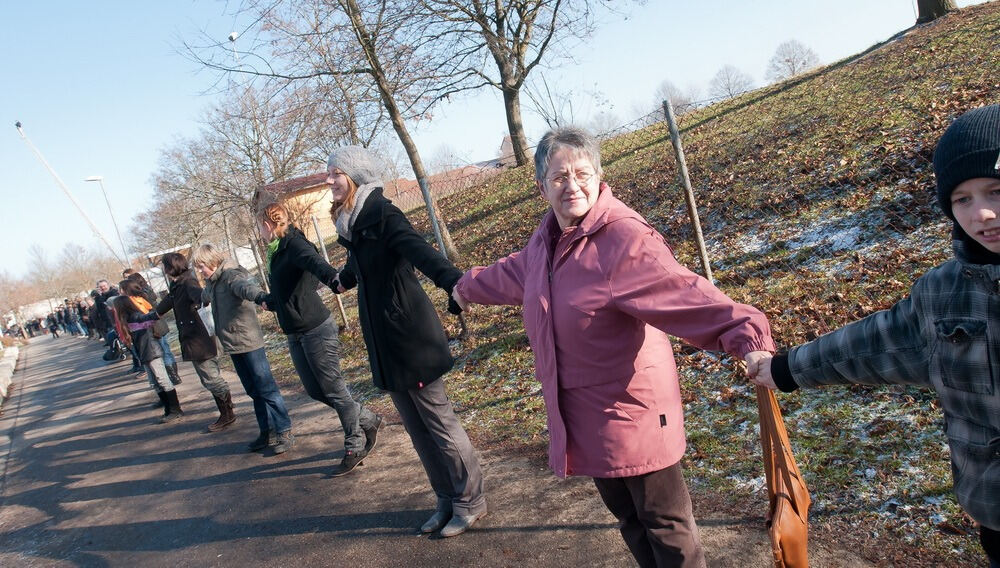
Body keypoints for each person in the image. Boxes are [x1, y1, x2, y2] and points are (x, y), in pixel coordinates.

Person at [452, 127, 774, 566]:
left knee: (665, 525)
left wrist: (747, 338)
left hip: (634, 411)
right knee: (629, 521)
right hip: (585, 417)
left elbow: (684, 292)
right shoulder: (545, 242)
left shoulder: (621, 237)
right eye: (559, 176)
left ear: (599, 176)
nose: (572, 186)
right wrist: (465, 286)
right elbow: (510, 275)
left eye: (582, 173)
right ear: (540, 186)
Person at [748, 104, 1000, 567]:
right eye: (962, 199)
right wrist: (782, 368)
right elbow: (873, 344)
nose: (981, 212)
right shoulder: (943, 294)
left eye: (995, 190)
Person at [327, 145, 486, 537]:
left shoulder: (382, 214)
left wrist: (454, 282)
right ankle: (446, 498)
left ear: (355, 176)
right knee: (417, 430)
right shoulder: (355, 224)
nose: (328, 179)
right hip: (385, 343)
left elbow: (419, 251)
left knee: (440, 425)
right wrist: (340, 280)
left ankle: (471, 500)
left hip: (410, 336)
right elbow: (358, 266)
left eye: (334, 173)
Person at [257, 202, 382, 475]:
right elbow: (288, 288)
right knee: (316, 390)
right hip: (295, 330)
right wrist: (270, 301)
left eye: (259, 226)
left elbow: (315, 263)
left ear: (267, 225)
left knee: (335, 390)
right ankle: (367, 418)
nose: (259, 231)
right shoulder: (276, 251)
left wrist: (334, 280)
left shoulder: (293, 244)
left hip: (315, 328)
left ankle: (355, 443)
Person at [192, 244, 295, 454]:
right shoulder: (213, 282)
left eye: (201, 266)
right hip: (233, 344)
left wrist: (261, 298)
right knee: (253, 391)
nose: (200, 271)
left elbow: (246, 288)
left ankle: (284, 430)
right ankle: (266, 431)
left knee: (266, 388)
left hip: (249, 341)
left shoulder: (231, 275)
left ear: (212, 262)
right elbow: (206, 296)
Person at [144, 252, 238, 432]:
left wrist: (201, 303)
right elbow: (167, 303)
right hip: (194, 339)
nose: (163, 269)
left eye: (164, 265)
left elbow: (203, 297)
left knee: (210, 378)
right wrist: (150, 316)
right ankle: (227, 411)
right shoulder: (178, 283)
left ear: (171, 266)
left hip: (200, 339)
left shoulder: (187, 282)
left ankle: (227, 414)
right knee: (208, 378)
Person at [111, 280, 185, 423]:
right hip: (145, 353)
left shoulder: (135, 316)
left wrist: (162, 308)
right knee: (154, 382)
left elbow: (149, 317)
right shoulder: (127, 320)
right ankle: (168, 409)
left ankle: (176, 409)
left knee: (162, 379)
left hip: (152, 351)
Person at [126, 271, 182, 385]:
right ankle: (175, 375)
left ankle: (172, 376)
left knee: (162, 351)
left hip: (153, 326)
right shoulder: (149, 291)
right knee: (166, 350)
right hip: (160, 324)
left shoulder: (139, 297)